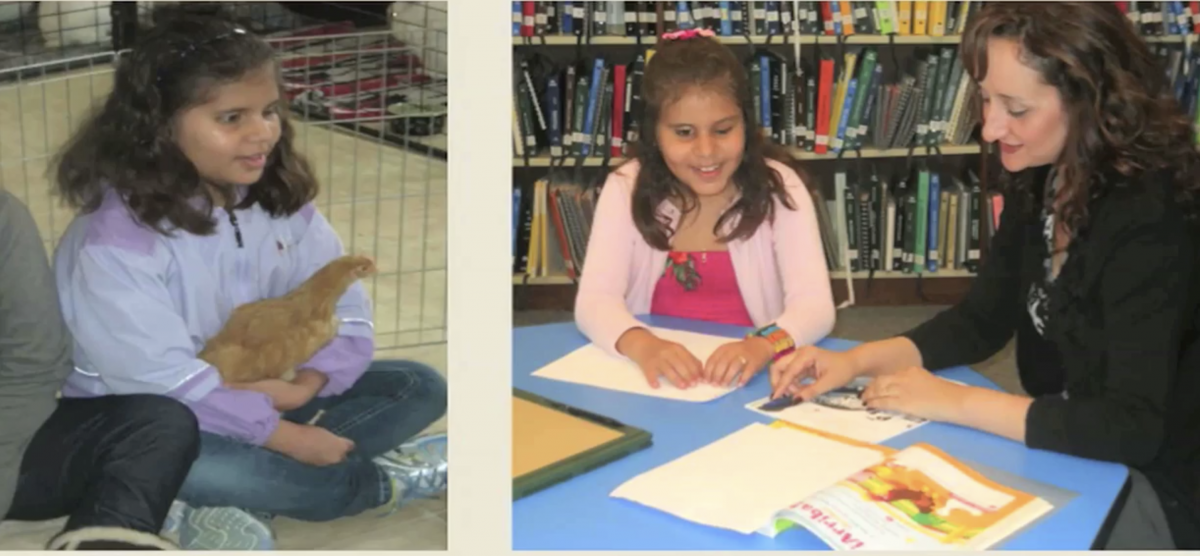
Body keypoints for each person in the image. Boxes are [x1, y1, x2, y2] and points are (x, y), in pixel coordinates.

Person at [768, 3, 1200, 550]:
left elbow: (1130, 429)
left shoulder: (1151, 219)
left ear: (1090, 106)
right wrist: (854, 361)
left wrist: (954, 401)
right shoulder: (1048, 173)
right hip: (1070, 446)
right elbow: (982, 320)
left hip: (1160, 485)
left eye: (1016, 108)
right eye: (987, 98)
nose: (992, 127)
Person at [48, 18, 448, 551]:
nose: (262, 133)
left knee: (419, 385)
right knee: (201, 466)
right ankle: (376, 483)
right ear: (158, 125)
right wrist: (287, 437)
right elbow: (155, 380)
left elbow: (341, 300)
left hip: (261, 391)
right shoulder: (114, 242)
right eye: (231, 117)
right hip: (146, 423)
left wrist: (307, 385)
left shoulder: (277, 198)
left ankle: (211, 505)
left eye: (269, 111)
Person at [575, 28, 836, 392]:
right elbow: (594, 301)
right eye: (684, 132)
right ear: (655, 133)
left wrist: (764, 344)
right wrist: (643, 344)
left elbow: (815, 307)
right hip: (654, 377)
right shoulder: (626, 187)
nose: (706, 150)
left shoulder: (781, 187)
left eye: (723, 129)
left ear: (746, 123)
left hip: (754, 375)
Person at [0, 190, 200, 550]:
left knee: (158, 423)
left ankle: (105, 541)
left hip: (9, 437)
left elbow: (34, 360)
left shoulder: (4, 214)